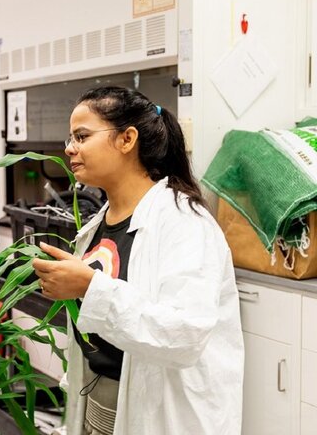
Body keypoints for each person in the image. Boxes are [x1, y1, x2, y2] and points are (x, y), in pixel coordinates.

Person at [32, 86, 243, 434]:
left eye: (82, 136)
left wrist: (89, 287)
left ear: (127, 139)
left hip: (162, 416)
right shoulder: (98, 224)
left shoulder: (183, 222)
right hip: (99, 407)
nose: (69, 148)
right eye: (71, 138)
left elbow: (185, 333)